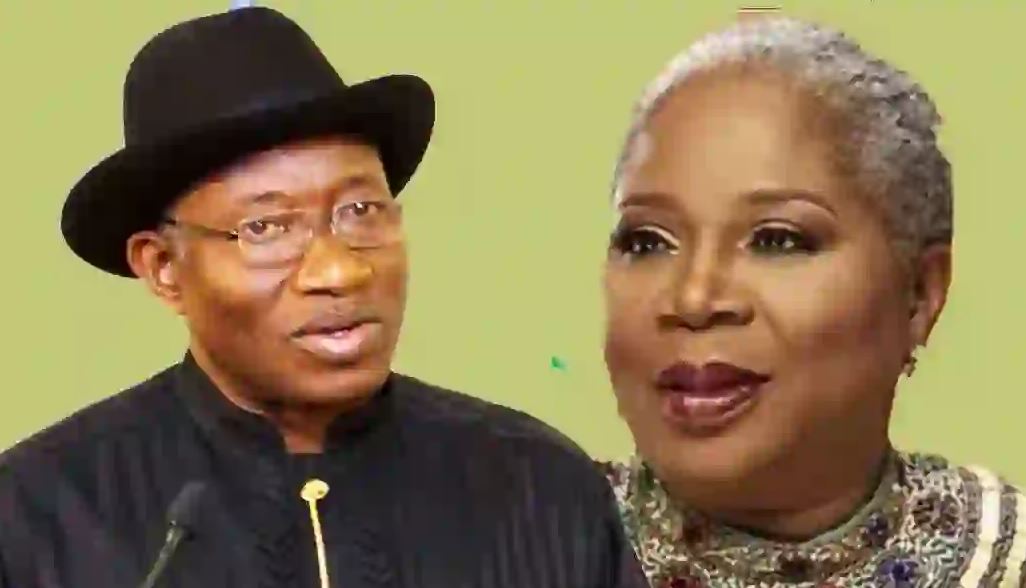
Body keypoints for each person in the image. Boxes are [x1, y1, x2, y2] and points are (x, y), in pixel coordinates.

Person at [0, 7, 645, 587]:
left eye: (361, 211)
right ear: (164, 267)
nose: (339, 270)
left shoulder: (539, 489)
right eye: (266, 228)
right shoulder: (38, 517)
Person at [599, 15, 1026, 588]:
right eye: (646, 242)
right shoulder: (518, 543)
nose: (694, 298)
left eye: (777, 240)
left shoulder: (1002, 559)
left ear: (919, 295)